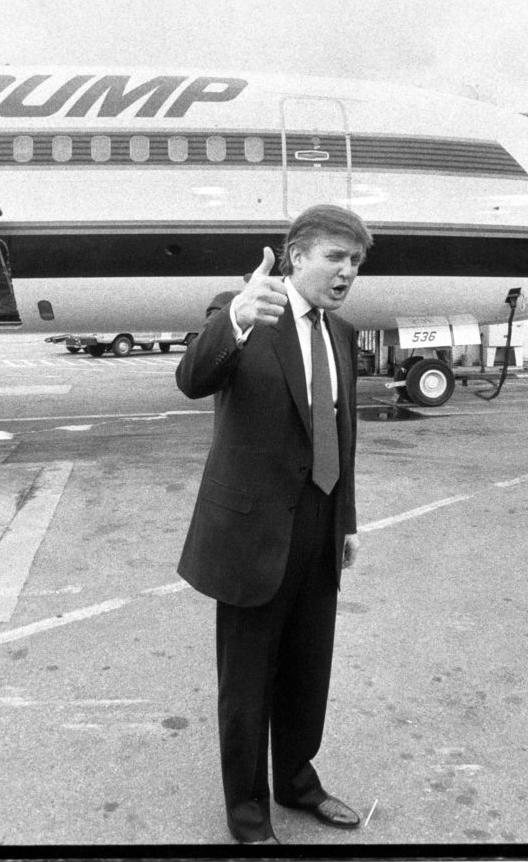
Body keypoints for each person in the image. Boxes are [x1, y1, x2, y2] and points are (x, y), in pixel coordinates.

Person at [175, 204, 373, 844]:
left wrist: (343, 522)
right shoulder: (244, 308)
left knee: (308, 670)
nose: (348, 272)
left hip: (318, 523)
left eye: (356, 263)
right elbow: (192, 378)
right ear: (296, 257)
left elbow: (340, 432)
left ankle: (297, 782)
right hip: (252, 532)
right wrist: (233, 317)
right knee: (247, 685)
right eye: (336, 257)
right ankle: (249, 816)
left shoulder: (341, 333)